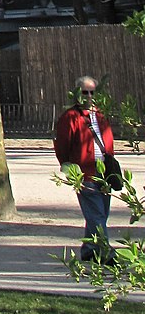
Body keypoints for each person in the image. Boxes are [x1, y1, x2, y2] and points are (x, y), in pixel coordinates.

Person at [54, 75, 116, 263]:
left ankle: (89, 248)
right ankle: (105, 251)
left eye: (92, 92)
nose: (89, 96)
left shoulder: (100, 115)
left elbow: (109, 142)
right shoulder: (70, 118)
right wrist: (70, 170)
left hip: (104, 171)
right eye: (84, 92)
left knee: (101, 213)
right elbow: (62, 146)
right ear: (77, 94)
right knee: (96, 213)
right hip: (84, 173)